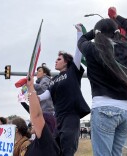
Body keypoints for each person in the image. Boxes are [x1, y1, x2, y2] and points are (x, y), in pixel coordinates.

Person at [77, 7, 127, 156]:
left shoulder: (91, 48)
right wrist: (116, 17)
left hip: (103, 108)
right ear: (117, 32)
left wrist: (93, 33)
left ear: (97, 33)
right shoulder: (126, 47)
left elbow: (81, 40)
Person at [38, 25, 90, 155]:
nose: (55, 61)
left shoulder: (73, 70)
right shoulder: (55, 79)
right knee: (55, 150)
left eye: (59, 59)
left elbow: (78, 52)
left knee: (67, 150)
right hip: (58, 118)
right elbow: (47, 94)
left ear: (66, 62)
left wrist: (79, 33)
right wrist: (35, 97)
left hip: (71, 117)